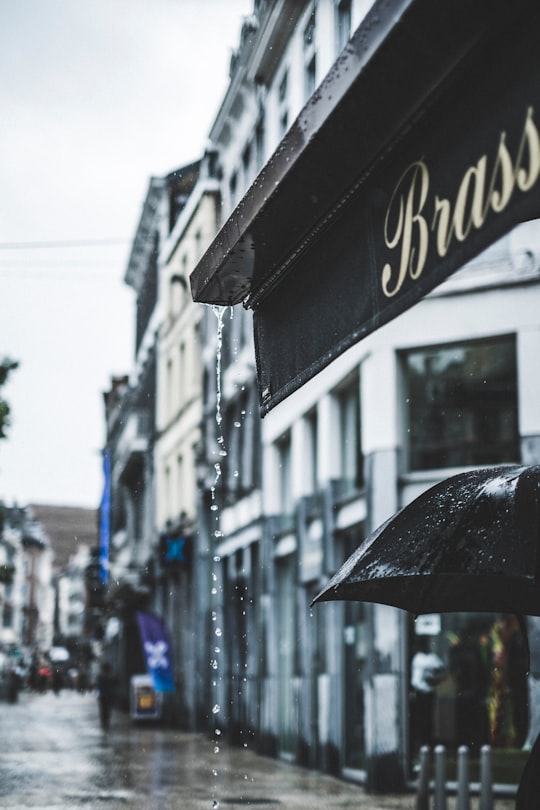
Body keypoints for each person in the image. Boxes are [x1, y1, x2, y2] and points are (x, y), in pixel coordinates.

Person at [410, 636, 446, 749]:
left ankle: (426, 741)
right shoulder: (417, 658)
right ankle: (421, 741)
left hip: (427, 692)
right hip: (418, 692)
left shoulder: (432, 658)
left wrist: (434, 679)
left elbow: (442, 671)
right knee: (420, 719)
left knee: (427, 719)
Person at [96, 662, 116, 731]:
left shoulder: (101, 677)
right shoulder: (105, 677)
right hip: (106, 696)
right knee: (106, 710)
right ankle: (105, 722)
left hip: (104, 696)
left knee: (105, 710)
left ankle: (105, 722)